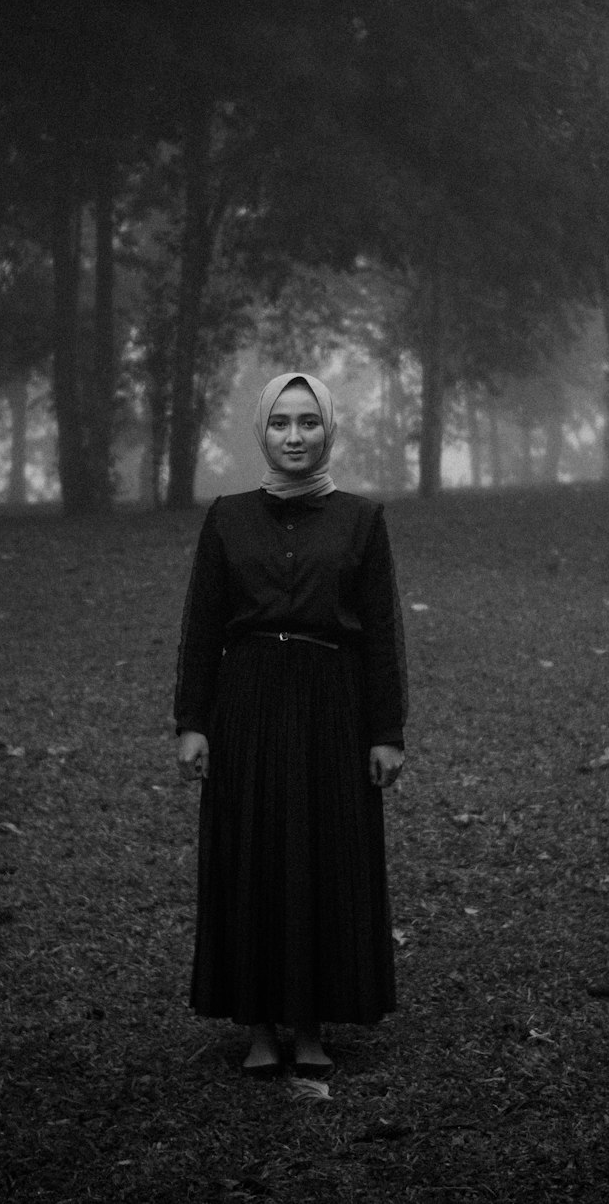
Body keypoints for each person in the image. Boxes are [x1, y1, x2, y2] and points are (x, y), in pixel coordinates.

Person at [174, 371, 408, 1078]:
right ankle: (257, 1028)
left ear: (328, 430)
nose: (295, 436)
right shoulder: (227, 517)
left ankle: (310, 1025)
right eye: (281, 423)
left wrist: (386, 732)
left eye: (309, 422)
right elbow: (202, 626)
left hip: (331, 705)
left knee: (322, 854)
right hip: (245, 703)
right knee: (251, 853)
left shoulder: (361, 520)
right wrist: (192, 721)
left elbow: (381, 634)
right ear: (262, 432)